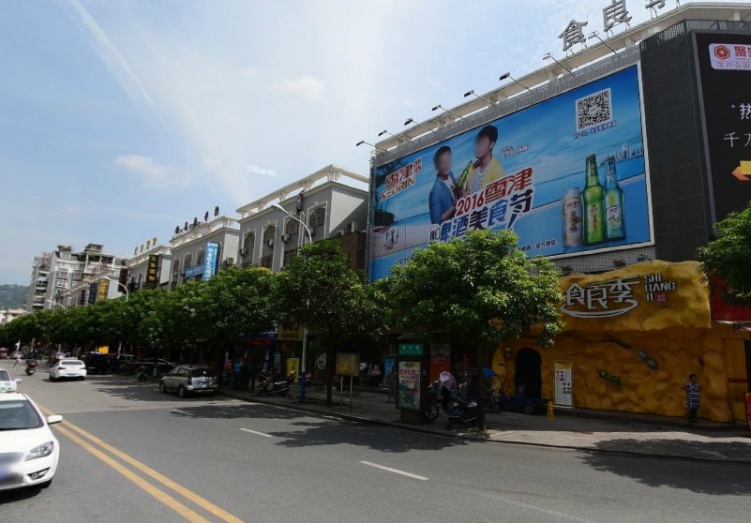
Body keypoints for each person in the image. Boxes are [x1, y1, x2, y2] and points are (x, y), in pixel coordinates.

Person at [465, 125, 505, 195]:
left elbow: (497, 198)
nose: (478, 146)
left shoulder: (497, 170)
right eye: (478, 142)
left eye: (482, 143)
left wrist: (461, 191)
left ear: (491, 145)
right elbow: (468, 196)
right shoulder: (472, 167)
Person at [429, 146, 461, 224]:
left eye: (448, 160)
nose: (447, 164)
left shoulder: (450, 173)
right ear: (437, 166)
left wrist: (459, 186)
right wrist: (453, 207)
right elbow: (435, 221)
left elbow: (455, 195)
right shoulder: (435, 192)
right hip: (450, 228)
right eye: (443, 162)